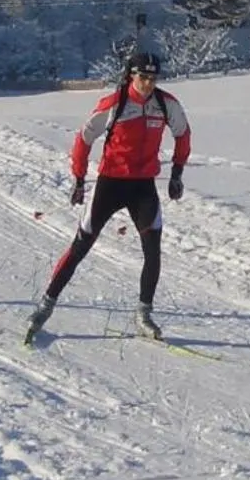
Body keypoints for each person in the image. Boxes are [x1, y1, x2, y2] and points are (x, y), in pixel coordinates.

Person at [25, 49, 190, 344]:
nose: (148, 84)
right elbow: (83, 139)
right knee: (81, 245)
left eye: (153, 79)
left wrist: (177, 173)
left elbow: (183, 134)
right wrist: (79, 179)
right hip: (110, 184)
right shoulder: (115, 103)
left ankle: (144, 314)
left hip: (143, 186)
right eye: (143, 77)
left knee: (153, 249)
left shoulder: (166, 105)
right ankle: (45, 307)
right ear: (130, 76)